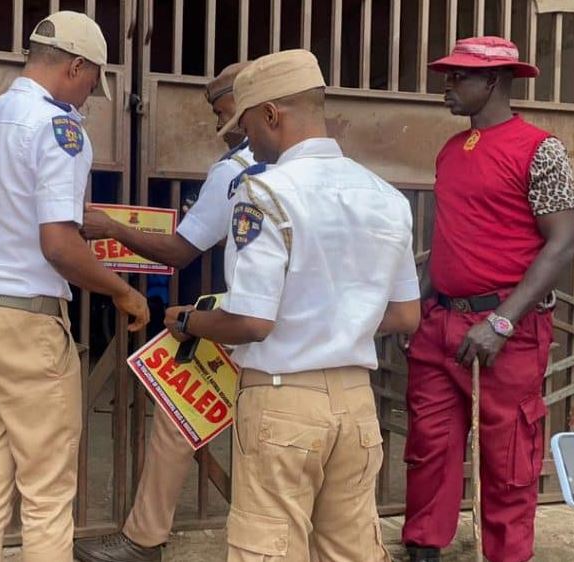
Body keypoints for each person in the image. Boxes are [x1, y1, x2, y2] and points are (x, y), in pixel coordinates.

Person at [163, 49, 421, 562]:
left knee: (269, 549)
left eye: (245, 125)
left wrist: (190, 320)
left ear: (271, 115)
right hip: (356, 404)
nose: (244, 139)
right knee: (351, 550)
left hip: (283, 404)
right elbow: (405, 315)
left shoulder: (262, 193)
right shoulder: (387, 197)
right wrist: (337, 321)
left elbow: (253, 321)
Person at [0, 11, 150, 562]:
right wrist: (122, 291)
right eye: (92, 81)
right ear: (76, 66)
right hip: (25, 324)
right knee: (46, 495)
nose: (90, 95)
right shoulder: (60, 130)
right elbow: (58, 245)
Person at [402, 36, 574, 562]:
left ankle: (506, 555)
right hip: (441, 322)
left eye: (458, 78)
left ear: (494, 82)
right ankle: (423, 547)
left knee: (507, 460)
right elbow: (453, 238)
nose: (446, 86)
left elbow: (564, 243)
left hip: (506, 328)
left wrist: (502, 323)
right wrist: (415, 310)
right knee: (429, 447)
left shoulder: (541, 149)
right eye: (448, 76)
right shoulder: (452, 150)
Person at [73, 60, 254, 562]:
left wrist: (113, 227)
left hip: (250, 325)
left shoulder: (239, 172)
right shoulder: (340, 173)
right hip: (312, 335)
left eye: (225, 112)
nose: (222, 128)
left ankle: (143, 539)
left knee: (177, 413)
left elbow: (179, 251)